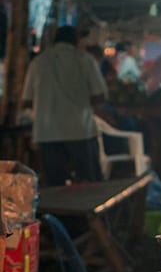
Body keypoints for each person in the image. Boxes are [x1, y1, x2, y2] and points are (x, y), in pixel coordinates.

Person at [21, 26, 108, 186]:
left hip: (47, 132)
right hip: (80, 131)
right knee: (88, 184)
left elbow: (26, 101)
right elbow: (100, 96)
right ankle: (84, 211)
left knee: (55, 186)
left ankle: (58, 212)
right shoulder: (85, 59)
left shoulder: (38, 62)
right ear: (75, 41)